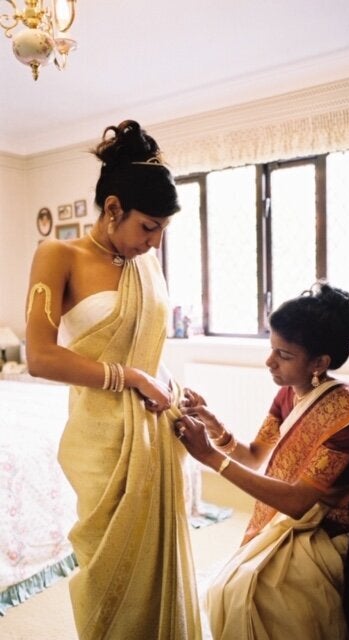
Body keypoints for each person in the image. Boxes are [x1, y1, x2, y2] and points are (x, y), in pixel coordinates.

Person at [25, 120, 202, 640]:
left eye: (164, 230)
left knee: (157, 567)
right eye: (149, 227)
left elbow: (148, 350)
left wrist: (171, 389)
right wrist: (130, 378)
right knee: (109, 572)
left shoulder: (145, 267)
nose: (156, 242)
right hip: (100, 440)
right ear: (112, 209)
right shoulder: (59, 256)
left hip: (154, 431)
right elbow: (39, 358)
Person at [175, 282, 349, 640]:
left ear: (319, 363)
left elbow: (298, 503)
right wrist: (213, 424)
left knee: (248, 596)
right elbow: (254, 458)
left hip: (334, 534)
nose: (269, 362)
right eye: (271, 349)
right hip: (300, 520)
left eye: (283, 355)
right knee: (226, 588)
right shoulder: (288, 393)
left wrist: (208, 456)